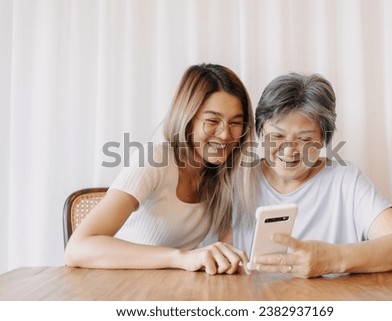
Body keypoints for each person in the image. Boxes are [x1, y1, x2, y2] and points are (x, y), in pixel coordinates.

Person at [65, 63, 255, 275]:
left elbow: (226, 254)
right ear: (187, 119)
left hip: (166, 292)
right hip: (117, 287)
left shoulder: (225, 177)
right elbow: (77, 249)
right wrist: (180, 257)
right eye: (212, 120)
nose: (225, 134)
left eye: (235, 123)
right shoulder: (155, 159)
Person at [233, 72, 392, 278]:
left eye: (305, 139)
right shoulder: (238, 180)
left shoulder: (345, 180)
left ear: (323, 139)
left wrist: (331, 258)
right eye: (277, 136)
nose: (289, 151)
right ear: (259, 131)